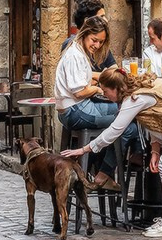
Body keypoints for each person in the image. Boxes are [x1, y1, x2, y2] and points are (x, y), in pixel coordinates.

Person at [63, 69, 162, 238]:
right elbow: (156, 117)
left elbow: (114, 131)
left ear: (116, 88)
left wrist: (84, 149)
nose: (104, 95)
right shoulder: (137, 90)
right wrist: (155, 149)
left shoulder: (134, 98)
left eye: (105, 91)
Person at [54, 16, 131, 189]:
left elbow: (87, 77)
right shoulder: (75, 55)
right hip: (76, 111)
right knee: (127, 124)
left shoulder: (78, 50)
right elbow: (80, 91)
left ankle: (97, 166)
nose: (96, 45)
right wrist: (99, 89)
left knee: (122, 112)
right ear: (84, 34)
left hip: (74, 109)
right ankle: (104, 174)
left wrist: (102, 78)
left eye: (100, 42)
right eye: (94, 40)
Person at [61, 0, 117, 72]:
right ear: (87, 21)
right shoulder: (72, 46)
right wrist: (103, 75)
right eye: (101, 17)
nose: (106, 20)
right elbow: (80, 77)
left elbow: (114, 71)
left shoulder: (100, 44)